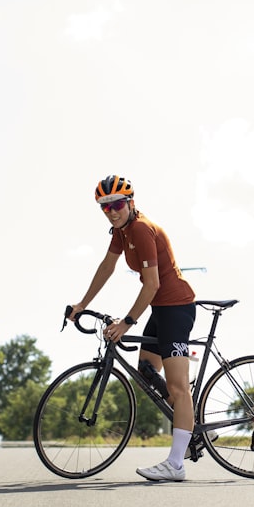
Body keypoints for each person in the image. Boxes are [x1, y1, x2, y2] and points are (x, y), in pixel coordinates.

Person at [68, 175, 197, 482]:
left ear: (131, 203)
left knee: (178, 388)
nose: (112, 211)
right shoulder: (121, 232)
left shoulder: (140, 228)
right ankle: (189, 421)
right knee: (146, 374)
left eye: (117, 205)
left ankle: (176, 464)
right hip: (160, 309)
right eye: (105, 207)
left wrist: (126, 323)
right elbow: (106, 267)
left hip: (176, 309)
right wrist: (82, 304)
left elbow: (152, 284)